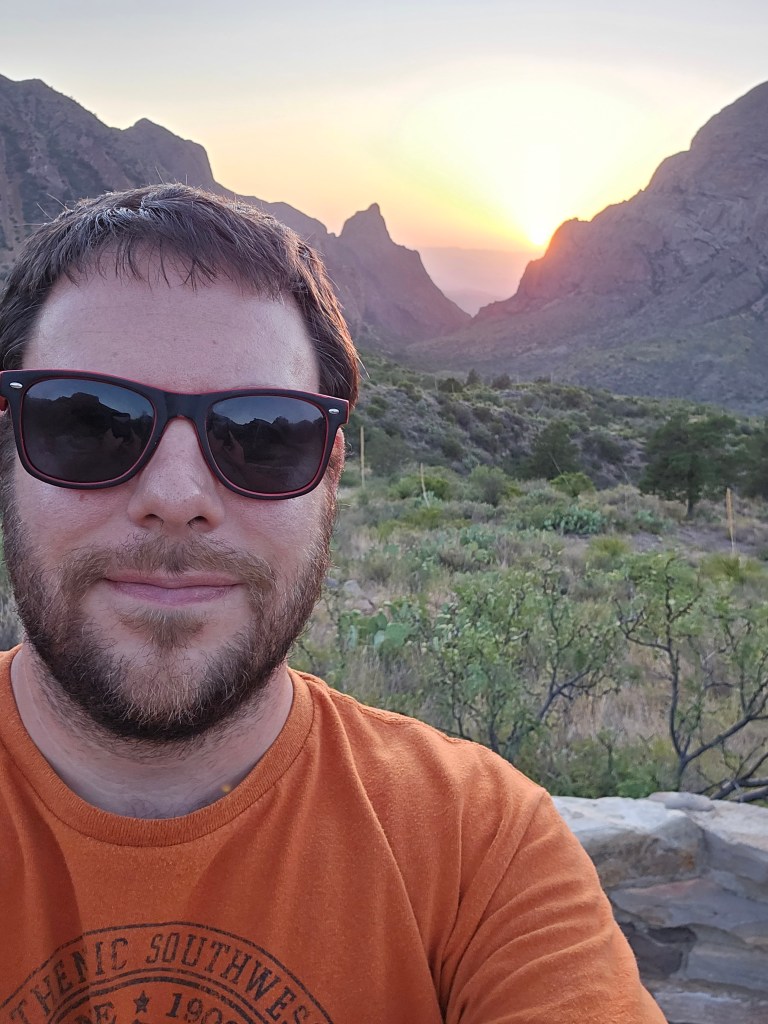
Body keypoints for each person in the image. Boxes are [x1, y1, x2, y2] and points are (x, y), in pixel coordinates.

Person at [0, 185, 665, 1024]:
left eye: (263, 434)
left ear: (330, 477)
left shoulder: (479, 844)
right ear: (7, 452)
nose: (175, 496)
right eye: (89, 423)